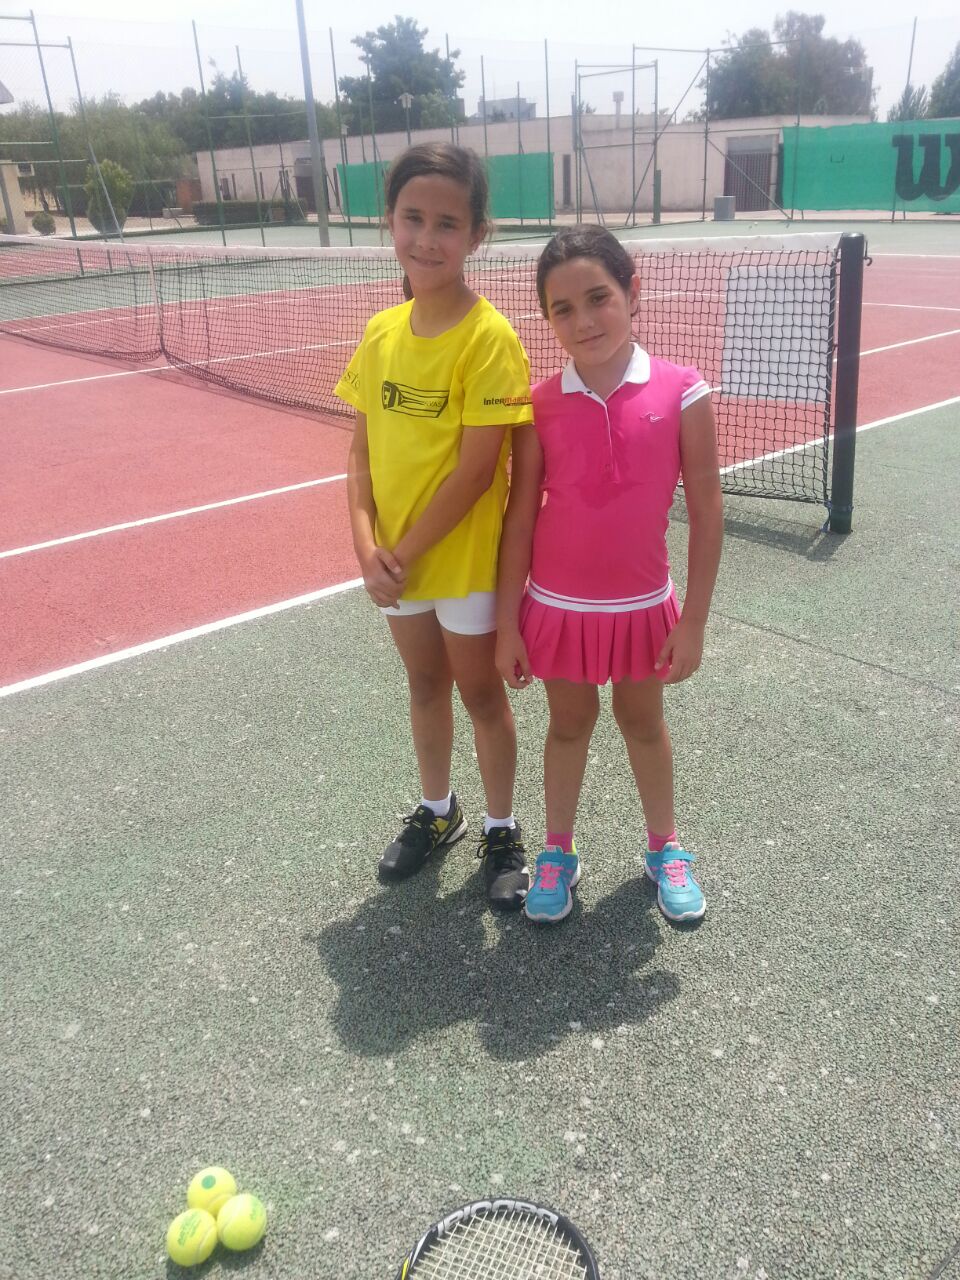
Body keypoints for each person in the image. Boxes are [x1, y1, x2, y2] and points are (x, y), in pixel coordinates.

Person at [495, 225, 724, 926]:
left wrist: (693, 622)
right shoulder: (538, 404)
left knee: (642, 723)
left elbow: (708, 514)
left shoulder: (683, 391)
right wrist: (507, 624)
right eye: (562, 309)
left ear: (632, 292)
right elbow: (519, 518)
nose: (584, 320)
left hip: (643, 607)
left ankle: (665, 848)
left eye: (598, 298)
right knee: (569, 726)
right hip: (557, 608)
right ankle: (557, 853)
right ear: (547, 319)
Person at [334, 143, 534, 910]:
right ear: (389, 221)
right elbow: (359, 454)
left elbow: (478, 473)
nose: (426, 238)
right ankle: (438, 809)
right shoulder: (380, 332)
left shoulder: (490, 339)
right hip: (396, 564)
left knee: (481, 696)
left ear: (477, 234)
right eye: (412, 218)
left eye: (447, 223)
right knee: (424, 685)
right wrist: (366, 548)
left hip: (461, 563)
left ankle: (501, 827)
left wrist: (401, 555)